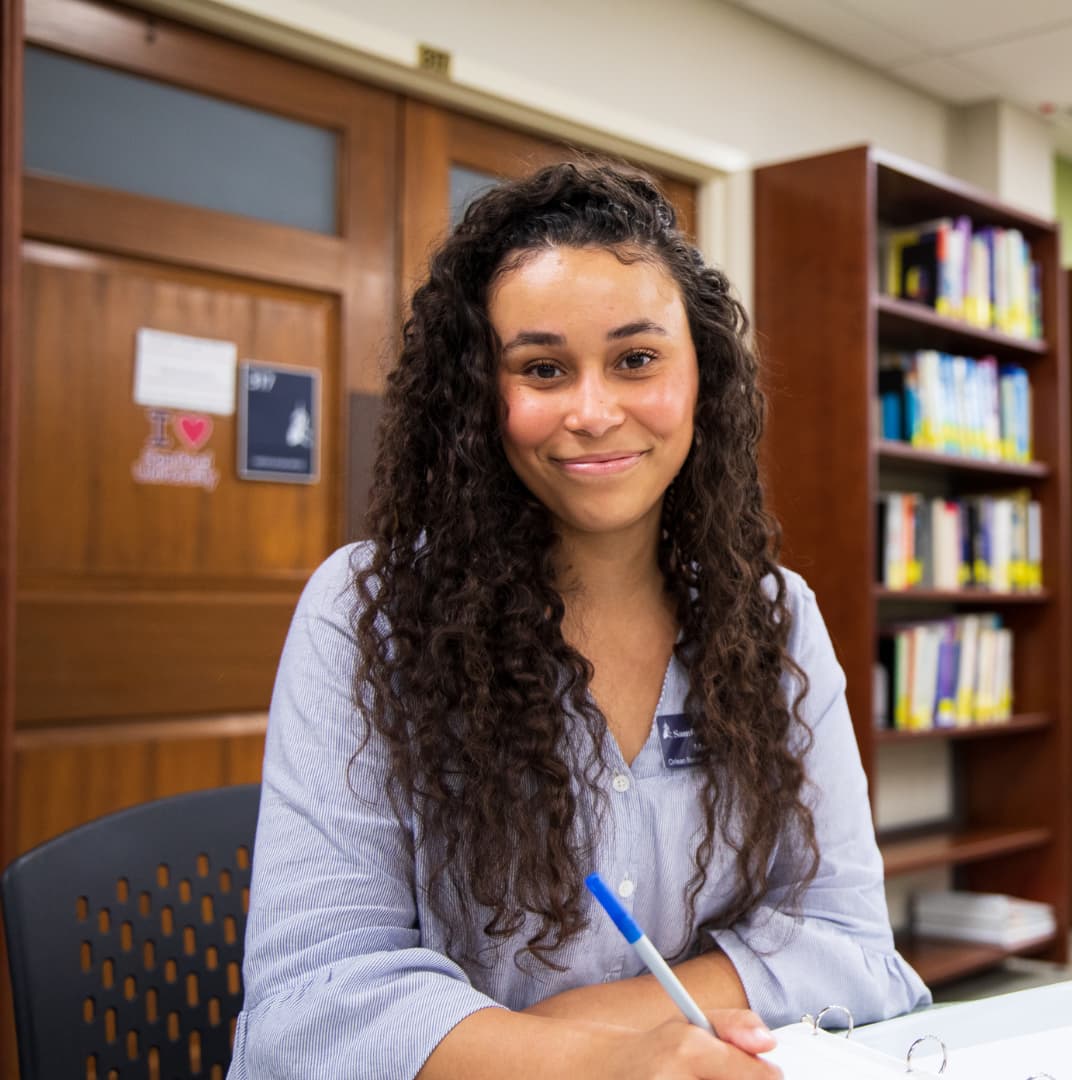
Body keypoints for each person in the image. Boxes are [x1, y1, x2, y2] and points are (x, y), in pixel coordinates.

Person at [232, 161, 930, 1079]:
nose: (595, 412)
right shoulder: (368, 618)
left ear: (701, 381)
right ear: (482, 397)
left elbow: (851, 946)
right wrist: (594, 1061)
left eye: (637, 360)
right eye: (543, 369)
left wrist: (611, 1025)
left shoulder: (775, 620)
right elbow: (312, 1008)